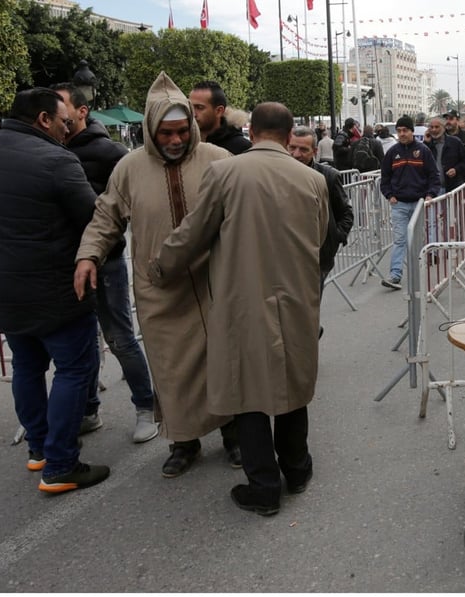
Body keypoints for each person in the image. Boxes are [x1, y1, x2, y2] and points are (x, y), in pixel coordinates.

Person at [147, 102, 327, 516]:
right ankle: (298, 471)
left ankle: (263, 487)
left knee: (248, 394)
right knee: (292, 386)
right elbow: (320, 237)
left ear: (251, 132)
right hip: (297, 298)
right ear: (288, 136)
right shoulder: (312, 179)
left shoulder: (225, 173)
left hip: (242, 299)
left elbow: (193, 232)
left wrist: (161, 268)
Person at [74, 72, 239, 478]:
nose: (175, 140)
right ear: (150, 130)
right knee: (172, 370)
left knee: (224, 361)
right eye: (166, 133)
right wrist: (88, 256)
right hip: (159, 287)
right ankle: (184, 442)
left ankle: (235, 435)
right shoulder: (129, 168)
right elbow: (106, 216)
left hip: (216, 282)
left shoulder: (220, 161)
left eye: (183, 131)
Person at [0, 88, 109, 493]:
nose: (67, 130)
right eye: (64, 122)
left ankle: (40, 449)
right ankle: (60, 464)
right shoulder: (58, 160)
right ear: (44, 119)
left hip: (0, 289)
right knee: (74, 370)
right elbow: (94, 221)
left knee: (26, 368)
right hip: (57, 290)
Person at [50, 82, 158, 444]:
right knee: (81, 342)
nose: (58, 114)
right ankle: (89, 410)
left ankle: (147, 407)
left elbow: (120, 209)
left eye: (62, 105)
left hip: (106, 262)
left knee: (120, 339)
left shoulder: (112, 153)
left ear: (81, 111)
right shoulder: (49, 149)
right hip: (65, 262)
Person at [287, 126, 354, 297]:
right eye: (292, 148)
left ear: (315, 151)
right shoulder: (278, 175)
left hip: (317, 257)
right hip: (286, 254)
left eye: (303, 149)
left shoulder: (329, 176)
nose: (296, 154)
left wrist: (335, 238)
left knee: (310, 304)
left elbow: (346, 213)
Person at [378, 115, 439, 291]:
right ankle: (395, 275)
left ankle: (418, 274)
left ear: (412, 131)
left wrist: (430, 195)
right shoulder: (392, 153)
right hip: (399, 204)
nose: (402, 134)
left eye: (405, 130)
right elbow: (385, 178)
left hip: (419, 203)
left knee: (418, 240)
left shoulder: (423, 151)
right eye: (399, 131)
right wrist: (389, 195)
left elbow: (433, 176)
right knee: (399, 240)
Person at [189, 80, 252, 155]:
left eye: (199, 107)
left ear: (219, 111)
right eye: (190, 107)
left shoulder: (242, 149)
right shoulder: (184, 144)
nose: (193, 113)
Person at [424, 115, 465, 194]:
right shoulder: (426, 145)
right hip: (433, 190)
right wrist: (426, 143)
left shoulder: (455, 142)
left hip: (453, 189)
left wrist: (456, 169)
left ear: (443, 127)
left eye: (437, 127)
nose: (434, 130)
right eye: (431, 127)